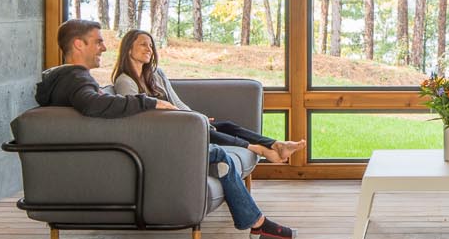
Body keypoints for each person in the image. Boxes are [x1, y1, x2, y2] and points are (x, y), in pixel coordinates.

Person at [36, 20, 294, 239]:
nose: (104, 46)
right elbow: (95, 105)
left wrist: (189, 116)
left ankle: (257, 222)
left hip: (134, 149)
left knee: (221, 157)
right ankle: (258, 220)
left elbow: (100, 107)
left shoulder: (66, 80)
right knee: (221, 156)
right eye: (98, 41)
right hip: (139, 154)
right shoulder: (77, 79)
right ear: (79, 44)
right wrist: (150, 101)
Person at [110, 28, 306, 165]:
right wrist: (192, 121)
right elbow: (136, 119)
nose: (149, 49)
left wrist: (197, 116)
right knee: (208, 131)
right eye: (143, 45)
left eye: (151, 46)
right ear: (128, 48)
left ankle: (275, 144)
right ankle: (261, 150)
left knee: (227, 125)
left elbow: (176, 102)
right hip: (164, 133)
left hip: (181, 123)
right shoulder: (125, 82)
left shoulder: (155, 74)